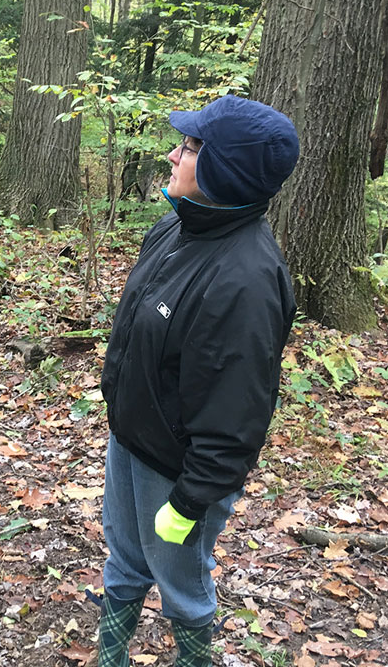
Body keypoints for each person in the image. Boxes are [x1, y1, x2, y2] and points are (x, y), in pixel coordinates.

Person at [97, 95, 299, 667]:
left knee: (183, 589)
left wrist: (189, 502)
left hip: (180, 471)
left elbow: (236, 416)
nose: (171, 153)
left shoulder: (247, 280)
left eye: (187, 148)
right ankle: (110, 656)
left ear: (221, 169)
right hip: (131, 444)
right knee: (124, 561)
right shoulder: (174, 230)